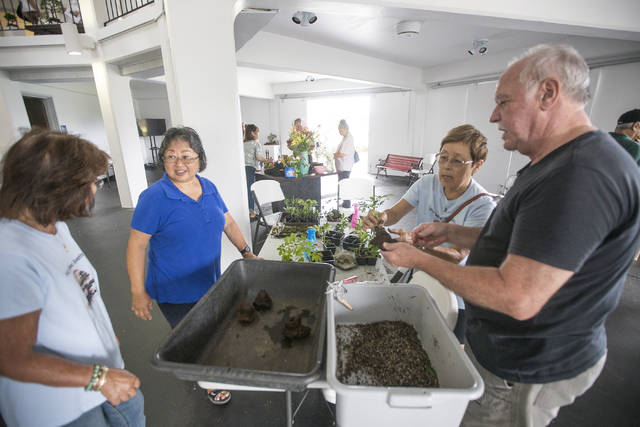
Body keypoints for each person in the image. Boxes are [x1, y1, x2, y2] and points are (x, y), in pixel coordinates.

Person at [381, 44, 640, 426]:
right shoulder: (555, 163)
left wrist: (418, 259)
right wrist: (453, 231)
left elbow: (517, 297)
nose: (493, 114)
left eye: (503, 101)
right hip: (505, 351)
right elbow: (521, 241)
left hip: (527, 365)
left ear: (548, 94)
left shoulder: (580, 175)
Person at [0, 129, 145, 427]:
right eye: (92, 182)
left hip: (105, 381)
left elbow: (75, 290)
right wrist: (98, 377)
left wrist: (100, 335)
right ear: (58, 187)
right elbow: (11, 359)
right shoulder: (10, 255)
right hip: (64, 410)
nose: (96, 188)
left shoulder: (52, 226)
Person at [126, 126, 259, 406]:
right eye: (171, 156)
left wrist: (247, 252)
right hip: (174, 288)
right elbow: (137, 245)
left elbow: (229, 222)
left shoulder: (207, 187)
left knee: (214, 329)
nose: (179, 164)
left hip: (210, 282)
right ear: (163, 160)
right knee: (197, 338)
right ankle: (209, 380)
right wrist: (138, 290)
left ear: (199, 159)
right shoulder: (154, 198)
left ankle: (206, 364)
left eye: (186, 156)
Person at [362, 124, 495, 263]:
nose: (446, 166)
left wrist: (417, 245)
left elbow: (458, 256)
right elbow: (394, 214)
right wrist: (382, 217)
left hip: (449, 278)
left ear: (477, 165)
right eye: (443, 157)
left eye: (457, 161)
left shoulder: (482, 205)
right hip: (419, 265)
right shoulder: (426, 183)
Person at [244, 124, 268, 220]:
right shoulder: (255, 143)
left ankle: (247, 211)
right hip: (249, 168)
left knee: (245, 190)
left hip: (242, 169)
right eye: (257, 132)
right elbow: (259, 157)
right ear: (252, 133)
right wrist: (268, 160)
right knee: (250, 190)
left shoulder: (243, 143)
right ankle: (252, 213)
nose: (258, 134)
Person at [334, 119, 356, 208]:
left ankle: (347, 205)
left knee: (345, 185)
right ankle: (345, 203)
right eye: (338, 129)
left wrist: (335, 155)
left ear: (345, 128)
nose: (339, 131)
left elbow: (343, 154)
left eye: (340, 129)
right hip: (342, 167)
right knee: (342, 185)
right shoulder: (345, 138)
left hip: (345, 167)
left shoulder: (349, 139)